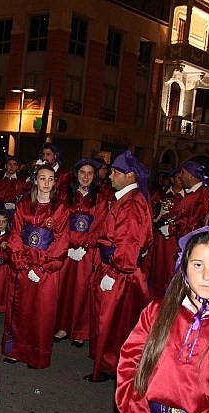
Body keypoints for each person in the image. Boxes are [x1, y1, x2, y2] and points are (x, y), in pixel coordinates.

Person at [115, 226, 209, 413]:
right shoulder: (157, 311)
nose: (207, 276)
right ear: (184, 268)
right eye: (198, 265)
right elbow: (129, 366)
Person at [87, 150, 153, 382]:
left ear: (131, 176)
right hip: (114, 267)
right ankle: (106, 362)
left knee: (113, 321)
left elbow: (129, 244)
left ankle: (110, 365)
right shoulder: (125, 200)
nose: (111, 176)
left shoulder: (132, 204)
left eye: (116, 172)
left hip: (120, 272)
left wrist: (114, 273)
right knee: (110, 320)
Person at [2, 164, 69, 369]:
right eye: (42, 178)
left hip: (45, 271)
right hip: (23, 268)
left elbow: (61, 243)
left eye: (50, 179)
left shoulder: (61, 209)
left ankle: (35, 355)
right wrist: (23, 264)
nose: (46, 183)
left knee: (41, 312)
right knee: (19, 310)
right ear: (35, 180)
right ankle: (16, 350)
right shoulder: (24, 206)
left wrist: (40, 269)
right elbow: (14, 236)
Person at [54, 158, 108, 347]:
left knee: (82, 290)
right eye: (82, 172)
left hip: (86, 253)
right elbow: (59, 222)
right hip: (66, 251)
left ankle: (79, 331)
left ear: (94, 177)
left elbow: (100, 226)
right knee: (64, 288)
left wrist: (83, 246)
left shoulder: (100, 198)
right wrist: (67, 245)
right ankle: (62, 326)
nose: (85, 176)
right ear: (76, 174)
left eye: (90, 173)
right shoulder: (65, 196)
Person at [148, 167, 184, 299]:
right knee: (158, 271)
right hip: (161, 240)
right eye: (178, 178)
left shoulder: (187, 198)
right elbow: (151, 216)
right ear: (172, 179)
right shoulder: (161, 195)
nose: (181, 180)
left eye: (182, 177)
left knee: (173, 271)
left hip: (177, 240)